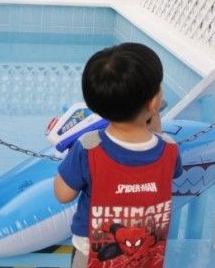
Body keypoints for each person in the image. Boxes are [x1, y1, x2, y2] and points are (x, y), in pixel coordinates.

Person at [54, 42, 182, 268]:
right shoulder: (170, 149)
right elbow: (158, 158)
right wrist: (154, 119)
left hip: (93, 254)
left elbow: (63, 194)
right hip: (146, 255)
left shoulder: (88, 148)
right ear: (154, 103)